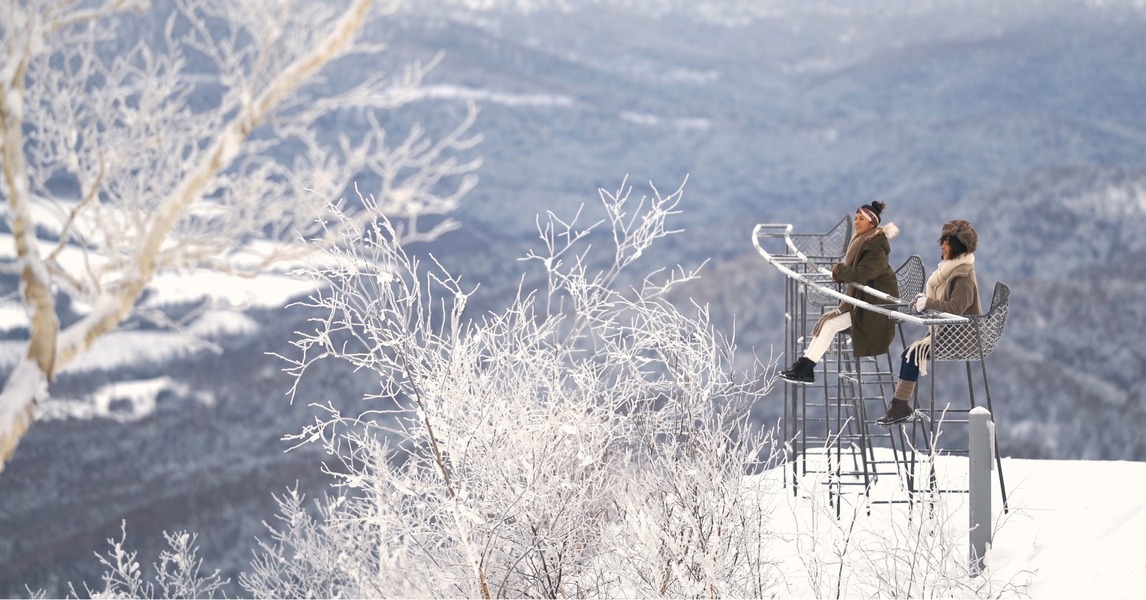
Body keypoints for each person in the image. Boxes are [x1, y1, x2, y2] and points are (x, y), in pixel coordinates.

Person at [780, 201, 900, 384]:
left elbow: (861, 275)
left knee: (830, 325)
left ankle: (805, 368)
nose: (857, 222)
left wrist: (839, 271)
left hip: (874, 307)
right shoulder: (864, 240)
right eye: (856, 218)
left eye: (861, 219)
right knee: (828, 323)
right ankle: (803, 367)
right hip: (862, 301)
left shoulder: (876, 246)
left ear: (872, 223)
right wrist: (841, 272)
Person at [876, 219, 981, 425]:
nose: (942, 246)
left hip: (962, 338)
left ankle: (900, 407)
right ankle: (900, 406)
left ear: (959, 246)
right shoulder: (948, 271)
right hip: (949, 333)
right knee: (909, 354)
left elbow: (955, 309)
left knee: (911, 354)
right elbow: (943, 307)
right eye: (942, 241)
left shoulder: (963, 276)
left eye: (947, 242)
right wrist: (924, 304)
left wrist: (929, 303)